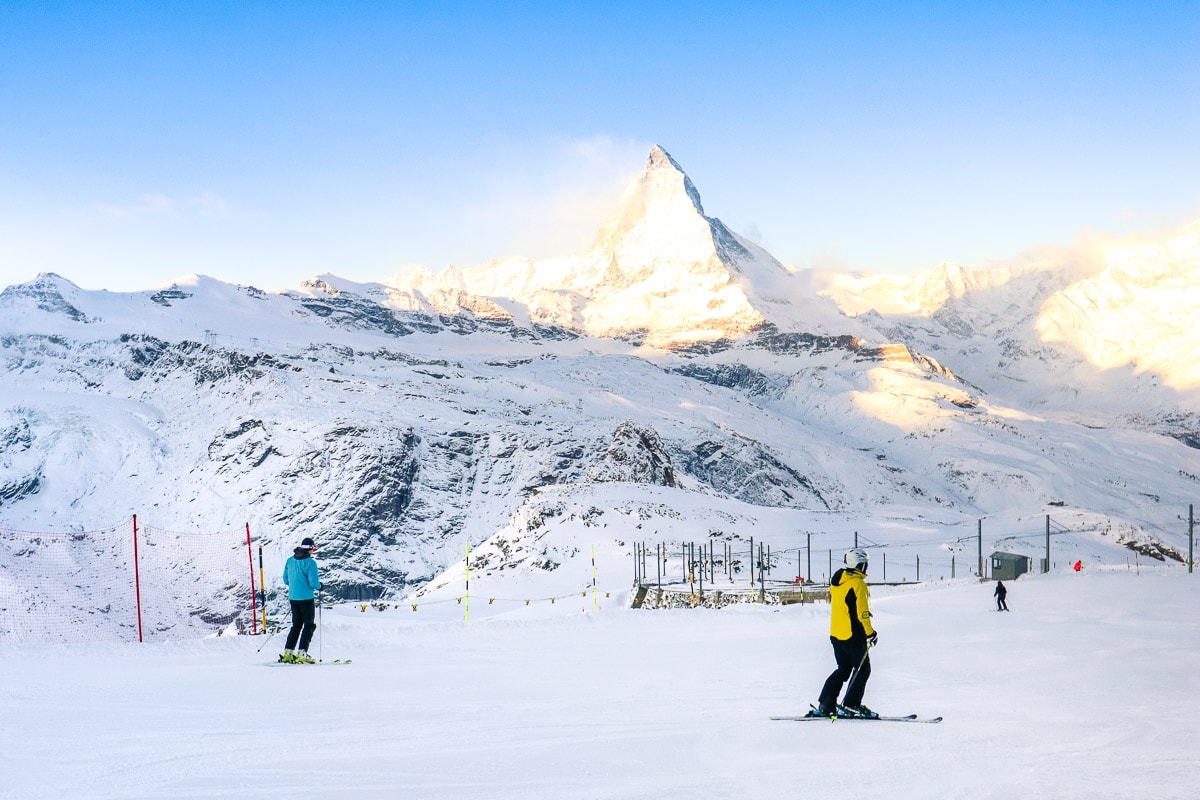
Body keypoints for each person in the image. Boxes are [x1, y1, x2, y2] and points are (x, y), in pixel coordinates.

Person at [811, 548, 878, 718]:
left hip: (836, 634)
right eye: (865, 564)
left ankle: (826, 703)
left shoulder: (836, 582)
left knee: (844, 669)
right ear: (860, 565)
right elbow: (861, 613)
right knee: (863, 669)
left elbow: (846, 606)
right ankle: (850, 705)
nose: (866, 568)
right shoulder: (858, 584)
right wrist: (870, 633)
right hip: (853, 636)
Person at [280, 537, 321, 664]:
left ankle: (288, 652)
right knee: (309, 625)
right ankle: (302, 653)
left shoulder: (290, 561)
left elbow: (286, 580)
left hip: (293, 598)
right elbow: (313, 583)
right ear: (311, 549)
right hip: (306, 598)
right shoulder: (310, 563)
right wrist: (320, 586)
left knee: (296, 625)